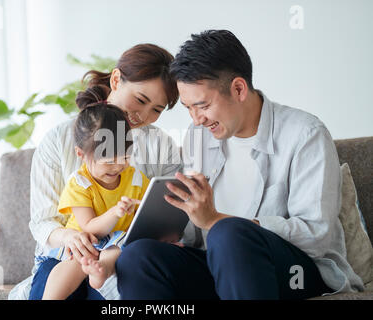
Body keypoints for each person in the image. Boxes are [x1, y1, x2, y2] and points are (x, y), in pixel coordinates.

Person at [115, 30, 365, 299]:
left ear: (238, 89)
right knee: (138, 256)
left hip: (296, 273)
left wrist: (216, 220)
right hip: (222, 266)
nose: (197, 119)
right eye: (188, 108)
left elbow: (316, 236)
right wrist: (169, 227)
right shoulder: (198, 135)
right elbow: (197, 228)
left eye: (203, 105)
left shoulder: (305, 133)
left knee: (228, 234)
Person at [8, 43, 181, 300]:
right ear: (115, 80)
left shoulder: (162, 145)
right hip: (66, 253)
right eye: (141, 100)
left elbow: (169, 210)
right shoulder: (60, 140)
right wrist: (70, 237)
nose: (143, 115)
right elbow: (42, 221)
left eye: (157, 109)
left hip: (123, 256)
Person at [40, 101, 150, 299]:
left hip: (116, 243)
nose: (117, 167)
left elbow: (146, 212)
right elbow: (89, 227)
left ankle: (101, 270)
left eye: (124, 157)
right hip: (86, 241)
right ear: (81, 154)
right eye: (108, 161)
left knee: (117, 249)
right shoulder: (80, 183)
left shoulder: (135, 178)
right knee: (76, 263)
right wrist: (115, 213)